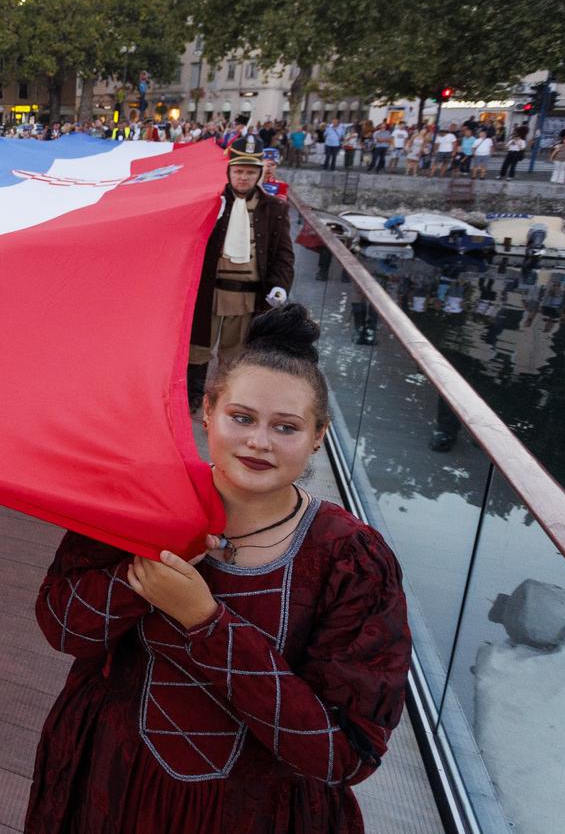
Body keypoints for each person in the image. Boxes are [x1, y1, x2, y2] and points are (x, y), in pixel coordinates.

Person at [26, 305, 411, 834]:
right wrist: (135, 581)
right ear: (208, 411)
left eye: (286, 427)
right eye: (242, 417)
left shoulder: (349, 560)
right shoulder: (144, 496)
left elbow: (344, 751)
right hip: (111, 784)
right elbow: (62, 626)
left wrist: (205, 622)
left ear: (319, 435)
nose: (258, 442)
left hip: (258, 813)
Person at [186, 149, 295, 411]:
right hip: (209, 292)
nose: (243, 178)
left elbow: (283, 254)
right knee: (198, 349)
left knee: (236, 354)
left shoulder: (275, 208)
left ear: (258, 175)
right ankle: (191, 397)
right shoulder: (212, 203)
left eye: (249, 172)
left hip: (249, 295)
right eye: (238, 172)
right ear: (229, 174)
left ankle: (226, 399)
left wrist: (280, 285)